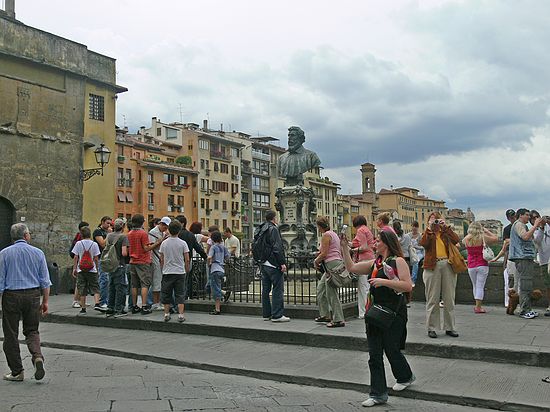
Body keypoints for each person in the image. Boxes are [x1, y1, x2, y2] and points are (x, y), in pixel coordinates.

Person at [341, 228, 414, 407]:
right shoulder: (375, 263)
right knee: (374, 354)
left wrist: (384, 282)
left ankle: (405, 376)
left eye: (378, 240)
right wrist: (344, 248)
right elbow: (352, 268)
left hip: (393, 313)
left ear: (387, 243)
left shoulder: (398, 261)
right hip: (375, 313)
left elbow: (407, 285)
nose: (374, 243)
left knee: (391, 349)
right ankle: (378, 394)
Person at [0, 223, 51, 382]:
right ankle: (37, 356)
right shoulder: (38, 253)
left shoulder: (4, 254)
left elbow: (0, 282)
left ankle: (17, 371)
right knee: (32, 330)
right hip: (32, 294)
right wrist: (45, 301)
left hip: (11, 296)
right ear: (26, 236)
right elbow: (45, 281)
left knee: (10, 333)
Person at [420, 212, 461, 338]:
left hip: (447, 264)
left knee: (449, 298)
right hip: (432, 266)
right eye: (433, 220)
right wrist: (429, 229)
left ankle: (450, 327)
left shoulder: (445, 232)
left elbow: (456, 240)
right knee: (432, 298)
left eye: (437, 220)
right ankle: (431, 327)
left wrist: (446, 227)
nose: (436, 223)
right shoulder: (427, 233)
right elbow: (424, 243)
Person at [254, 210, 289, 322]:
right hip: (273, 263)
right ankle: (277, 315)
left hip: (263, 263)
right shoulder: (273, 229)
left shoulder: (260, 228)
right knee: (278, 289)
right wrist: (282, 262)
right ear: (274, 218)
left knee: (265, 289)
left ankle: (266, 314)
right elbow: (277, 247)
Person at [127, 214, 164, 315]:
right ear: (142, 222)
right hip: (143, 261)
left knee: (134, 285)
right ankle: (144, 306)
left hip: (132, 261)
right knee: (145, 284)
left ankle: (134, 306)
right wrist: (157, 243)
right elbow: (146, 248)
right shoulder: (143, 233)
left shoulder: (129, 233)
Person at [509, 208, 543, 319]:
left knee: (527, 285)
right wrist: (535, 225)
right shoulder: (519, 224)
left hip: (525, 257)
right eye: (527, 215)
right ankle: (524, 310)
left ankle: (528, 309)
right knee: (525, 285)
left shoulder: (523, 225)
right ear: (520, 215)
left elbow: (532, 239)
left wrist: (538, 228)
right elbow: (525, 237)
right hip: (522, 257)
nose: (529, 217)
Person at [313, 216, 346, 328]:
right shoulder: (333, 234)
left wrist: (316, 261)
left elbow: (324, 253)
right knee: (321, 289)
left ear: (319, 226)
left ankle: (338, 319)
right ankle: (325, 314)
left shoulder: (326, 235)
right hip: (335, 263)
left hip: (331, 264)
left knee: (331, 292)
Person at [462, 222, 498, 313]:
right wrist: (486, 231)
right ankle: (478, 307)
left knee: (475, 285)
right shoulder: (483, 237)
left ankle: (476, 305)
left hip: (471, 265)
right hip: (482, 264)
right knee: (480, 286)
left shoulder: (466, 239)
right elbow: (496, 239)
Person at [159, 220, 190, 322]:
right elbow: (187, 259)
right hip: (180, 271)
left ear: (169, 230)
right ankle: (180, 315)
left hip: (167, 271)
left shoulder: (164, 243)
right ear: (179, 231)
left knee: (166, 293)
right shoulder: (183, 243)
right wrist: (186, 268)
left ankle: (166, 314)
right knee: (180, 293)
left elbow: (161, 258)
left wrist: (162, 268)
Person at [71, 226, 102, 314]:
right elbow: (96, 258)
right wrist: (97, 268)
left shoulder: (78, 243)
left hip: (81, 269)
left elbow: (76, 257)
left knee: (82, 288)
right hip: (92, 269)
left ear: (81, 234)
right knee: (95, 287)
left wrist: (74, 268)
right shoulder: (94, 244)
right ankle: (97, 303)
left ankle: (83, 308)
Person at [175, 215, 207, 301]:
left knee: (173, 282)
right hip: (187, 261)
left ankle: (175, 301)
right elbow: (198, 248)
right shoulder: (190, 235)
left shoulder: (174, 235)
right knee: (184, 282)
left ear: (182, 224)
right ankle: (183, 300)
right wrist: (205, 257)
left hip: (174, 261)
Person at [491, 209, 517, 307]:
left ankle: (514, 301)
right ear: (508, 218)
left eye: (514, 216)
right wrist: (496, 258)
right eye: (511, 217)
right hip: (510, 257)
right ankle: (508, 302)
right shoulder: (507, 229)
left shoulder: (522, 227)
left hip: (515, 256)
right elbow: (505, 246)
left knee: (515, 282)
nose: (513, 218)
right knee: (509, 282)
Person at [350, 215, 375, 319]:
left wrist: (352, 250)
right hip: (371, 259)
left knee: (362, 288)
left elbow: (364, 247)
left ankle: (363, 312)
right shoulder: (367, 230)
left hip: (364, 260)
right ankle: (369, 309)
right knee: (367, 287)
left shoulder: (360, 230)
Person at [104, 218, 129, 318]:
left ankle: (110, 307)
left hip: (110, 264)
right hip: (119, 264)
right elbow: (124, 253)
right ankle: (119, 308)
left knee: (111, 287)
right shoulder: (123, 237)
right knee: (120, 287)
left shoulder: (109, 235)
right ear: (123, 227)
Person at [148, 216, 171, 310]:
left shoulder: (163, 232)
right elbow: (151, 246)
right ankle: (155, 303)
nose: (166, 228)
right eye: (165, 226)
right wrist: (162, 240)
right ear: (161, 224)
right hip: (155, 259)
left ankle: (158, 302)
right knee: (156, 281)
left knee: (160, 282)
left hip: (160, 259)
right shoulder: (153, 232)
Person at [207, 231, 229, 315]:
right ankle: (224, 293)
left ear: (212, 239)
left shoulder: (213, 247)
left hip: (214, 269)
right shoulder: (223, 247)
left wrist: (209, 263)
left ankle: (217, 308)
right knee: (213, 286)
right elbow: (227, 257)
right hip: (221, 269)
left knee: (215, 289)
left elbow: (209, 257)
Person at [93, 216, 112, 308]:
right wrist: (109, 234)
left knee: (108, 280)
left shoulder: (108, 231)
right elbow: (103, 244)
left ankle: (107, 300)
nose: (109, 225)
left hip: (108, 257)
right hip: (101, 257)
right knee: (103, 279)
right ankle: (102, 301)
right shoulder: (98, 232)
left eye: (110, 224)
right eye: (107, 223)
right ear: (102, 222)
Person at [69, 221, 89, 308]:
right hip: (81, 262)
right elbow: (76, 254)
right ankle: (75, 301)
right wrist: (75, 267)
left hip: (82, 262)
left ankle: (81, 301)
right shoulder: (80, 237)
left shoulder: (79, 237)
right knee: (79, 283)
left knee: (82, 283)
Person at [533, 215, 550, 316]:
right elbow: (537, 241)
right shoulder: (535, 230)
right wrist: (542, 228)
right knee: (548, 285)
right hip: (544, 261)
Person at [407, 221, 424, 288]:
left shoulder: (421, 236)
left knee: (415, 261)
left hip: (419, 252)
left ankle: (413, 280)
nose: (414, 228)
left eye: (416, 226)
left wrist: (415, 247)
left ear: (418, 227)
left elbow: (423, 247)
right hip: (410, 252)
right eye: (413, 226)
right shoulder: (408, 235)